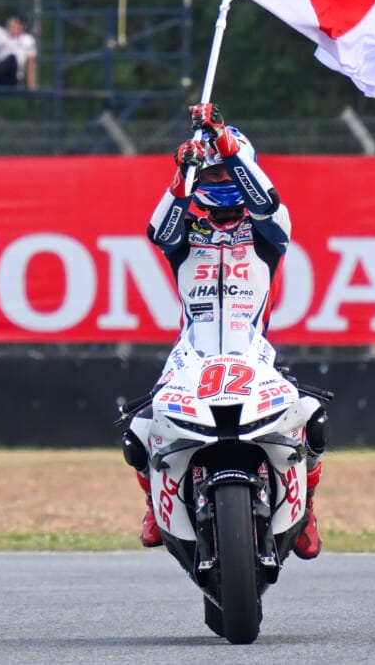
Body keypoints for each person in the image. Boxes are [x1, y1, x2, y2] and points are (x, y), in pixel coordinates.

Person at [128, 102, 327, 560]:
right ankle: (154, 505)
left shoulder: (267, 233)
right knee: (139, 431)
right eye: (212, 176)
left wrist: (224, 142)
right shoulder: (184, 237)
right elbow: (158, 232)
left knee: (312, 418)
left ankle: (307, 505)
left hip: (251, 354)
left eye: (229, 175)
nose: (222, 183)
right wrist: (182, 175)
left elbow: (269, 204)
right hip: (190, 356)